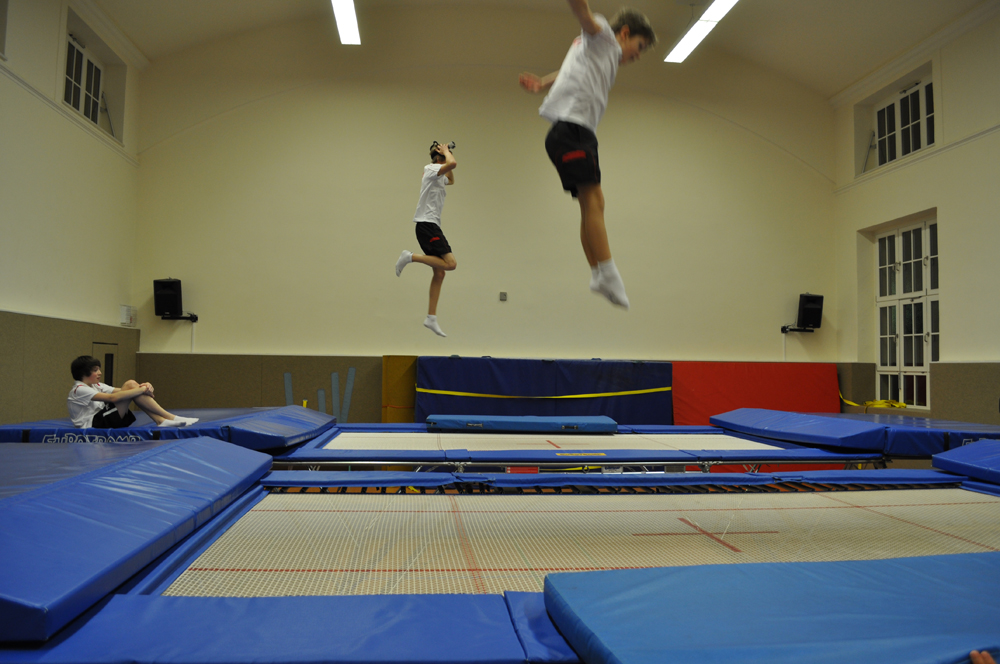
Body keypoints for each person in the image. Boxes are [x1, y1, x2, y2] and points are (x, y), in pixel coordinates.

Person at [519, 1, 655, 310]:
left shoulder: (595, 50)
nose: (637, 56)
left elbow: (569, 69)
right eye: (639, 46)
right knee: (593, 200)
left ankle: (597, 273)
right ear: (624, 33)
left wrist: (543, 83)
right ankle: (608, 272)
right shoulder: (603, 35)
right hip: (573, 130)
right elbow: (583, 13)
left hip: (572, 132)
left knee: (592, 203)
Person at [395, 141, 459, 337]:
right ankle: (410, 256)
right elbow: (453, 164)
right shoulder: (431, 169)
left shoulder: (439, 175)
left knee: (440, 273)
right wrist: (447, 152)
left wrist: (446, 153)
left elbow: (452, 179)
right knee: (451, 264)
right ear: (439, 158)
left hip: (431, 226)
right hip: (426, 225)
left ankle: (431, 317)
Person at [67, 355, 198, 428]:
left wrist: (145, 386)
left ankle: (161, 420)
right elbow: (113, 398)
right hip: (92, 425)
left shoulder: (96, 385)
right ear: (84, 372)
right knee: (132, 387)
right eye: (95, 370)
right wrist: (141, 390)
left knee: (131, 385)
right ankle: (169, 417)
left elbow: (126, 390)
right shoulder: (79, 390)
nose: (100, 373)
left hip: (104, 418)